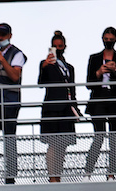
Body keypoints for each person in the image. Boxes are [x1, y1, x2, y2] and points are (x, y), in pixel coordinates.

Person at [0, 22, 26, 183]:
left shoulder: (17, 54)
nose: (0, 37)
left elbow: (15, 76)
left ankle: (10, 176)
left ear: (9, 35)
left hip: (9, 103)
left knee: (9, 139)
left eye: (3, 34)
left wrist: (1, 59)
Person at [85, 27, 116, 179]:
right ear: (102, 38)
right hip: (98, 98)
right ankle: (88, 173)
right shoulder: (94, 58)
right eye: (106, 39)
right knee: (99, 136)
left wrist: (115, 70)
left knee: (114, 138)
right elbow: (88, 83)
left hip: (115, 98)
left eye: (111, 39)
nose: (108, 41)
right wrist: (99, 72)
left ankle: (111, 175)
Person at [38, 31, 79, 182]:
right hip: (52, 108)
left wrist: (76, 108)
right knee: (53, 143)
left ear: (64, 47)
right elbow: (41, 84)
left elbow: (72, 89)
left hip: (67, 109)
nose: (58, 49)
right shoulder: (46, 64)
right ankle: (52, 177)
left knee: (63, 145)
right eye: (55, 46)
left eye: (60, 46)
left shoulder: (70, 68)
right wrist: (44, 66)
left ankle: (59, 176)